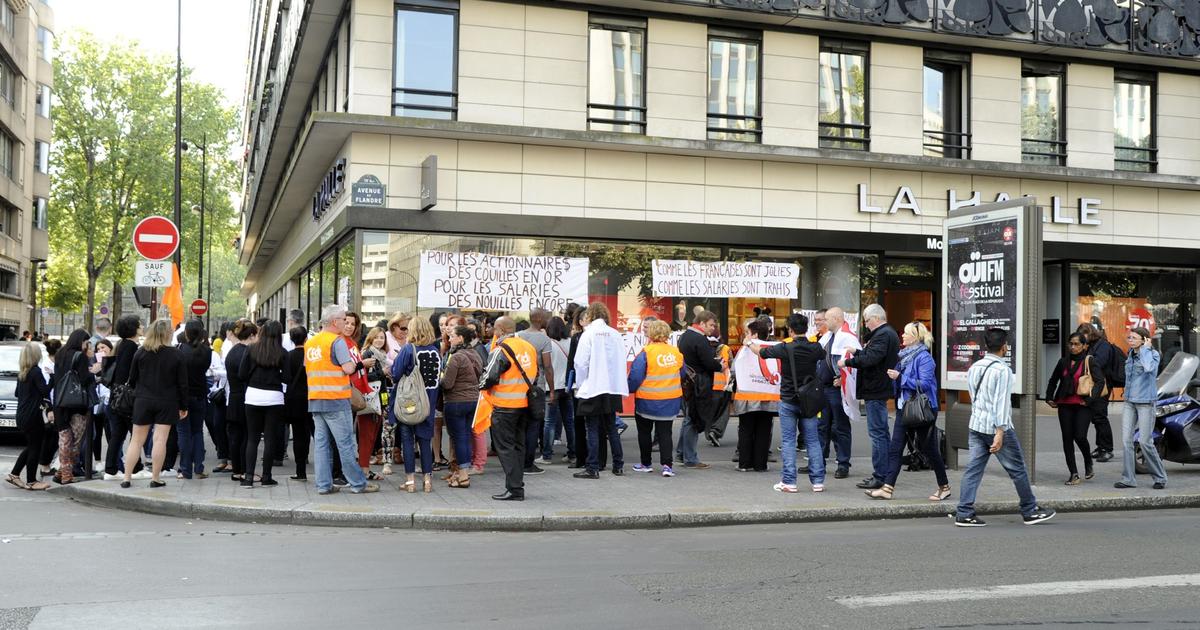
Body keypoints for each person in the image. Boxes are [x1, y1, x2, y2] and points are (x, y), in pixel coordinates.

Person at [955, 328, 1056, 527]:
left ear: (986, 345)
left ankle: (964, 512)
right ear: (1004, 347)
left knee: (973, 470)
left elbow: (974, 396)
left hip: (976, 425)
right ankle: (1030, 509)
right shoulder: (1002, 370)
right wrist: (1000, 433)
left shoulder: (975, 367)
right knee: (1017, 469)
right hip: (996, 428)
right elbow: (1001, 404)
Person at [869, 322, 950, 501]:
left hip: (921, 410)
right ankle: (887, 488)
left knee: (929, 449)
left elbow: (926, 384)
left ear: (915, 337)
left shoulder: (924, 358)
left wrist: (900, 377)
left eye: (905, 334)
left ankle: (944, 486)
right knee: (895, 448)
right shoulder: (903, 356)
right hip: (903, 408)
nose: (902, 336)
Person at [305, 305, 379, 494]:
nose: (345, 323)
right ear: (333, 322)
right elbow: (348, 369)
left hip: (315, 399)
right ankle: (358, 483)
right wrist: (356, 363)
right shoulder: (336, 341)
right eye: (343, 320)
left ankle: (323, 485)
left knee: (321, 445)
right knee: (345, 443)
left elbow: (309, 367)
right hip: (336, 399)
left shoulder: (311, 343)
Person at [750, 313, 824, 492]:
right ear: (806, 329)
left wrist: (748, 343)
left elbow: (762, 352)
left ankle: (789, 482)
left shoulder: (785, 347)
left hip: (789, 399)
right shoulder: (815, 347)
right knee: (813, 441)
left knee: (789, 441)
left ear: (790, 330)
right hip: (809, 401)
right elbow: (823, 354)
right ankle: (818, 481)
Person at [839, 304, 899, 491]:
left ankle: (880, 475)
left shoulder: (883, 334)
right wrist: (857, 351)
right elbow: (873, 355)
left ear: (876, 318)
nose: (866, 324)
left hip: (876, 389)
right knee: (881, 433)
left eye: (867, 320)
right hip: (877, 389)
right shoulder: (886, 334)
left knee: (878, 434)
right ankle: (885, 473)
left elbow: (872, 359)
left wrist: (847, 361)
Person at [122, 319, 188, 489]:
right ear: (169, 334)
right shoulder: (176, 354)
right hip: (167, 401)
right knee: (160, 440)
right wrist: (183, 406)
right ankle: (155, 478)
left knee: (136, 440)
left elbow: (132, 378)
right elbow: (182, 384)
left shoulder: (141, 352)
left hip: (143, 400)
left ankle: (127, 478)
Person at [480, 316, 537, 499]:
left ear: (501, 331)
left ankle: (514, 489)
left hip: (504, 406)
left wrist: (480, 386)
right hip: (524, 404)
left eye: (495, 330)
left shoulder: (501, 349)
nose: (493, 333)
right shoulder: (528, 347)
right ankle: (517, 485)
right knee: (518, 447)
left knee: (505, 448)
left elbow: (489, 377)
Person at [572, 302, 628, 480]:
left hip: (593, 386)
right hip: (612, 387)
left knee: (593, 428)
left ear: (590, 316)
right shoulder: (615, 334)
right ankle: (618, 465)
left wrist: (580, 384)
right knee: (611, 427)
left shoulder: (588, 334)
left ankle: (592, 467)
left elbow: (580, 363)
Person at [1045, 332, 1103, 485]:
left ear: (1085, 346)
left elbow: (1100, 382)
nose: (1073, 347)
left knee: (1080, 436)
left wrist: (1090, 400)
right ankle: (1074, 473)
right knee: (1067, 438)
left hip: (1083, 405)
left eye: (1077, 344)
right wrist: (1049, 397)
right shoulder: (1063, 362)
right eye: (1071, 343)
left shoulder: (1089, 361)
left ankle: (1088, 460)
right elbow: (1053, 380)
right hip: (1064, 404)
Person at [628, 320, 684, 477]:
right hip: (670, 400)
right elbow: (683, 373)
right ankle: (667, 466)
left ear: (651, 333)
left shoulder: (646, 352)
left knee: (644, 432)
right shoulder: (675, 352)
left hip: (647, 400)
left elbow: (636, 376)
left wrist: (629, 389)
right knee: (665, 433)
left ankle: (646, 463)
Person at [391, 316, 441, 493]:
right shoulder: (436, 351)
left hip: (410, 403)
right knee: (425, 442)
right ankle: (427, 481)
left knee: (407, 442)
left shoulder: (408, 349)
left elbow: (395, 373)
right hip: (429, 404)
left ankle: (410, 482)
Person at [239, 320, 290, 488]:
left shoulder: (251, 349)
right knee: (269, 438)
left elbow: (242, 374)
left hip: (253, 395)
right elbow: (287, 378)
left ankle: (248, 478)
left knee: (252, 438)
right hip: (274, 397)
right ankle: (266, 477)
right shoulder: (282, 353)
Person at [1116, 327, 1167, 490]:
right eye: (1129, 337)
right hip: (1130, 402)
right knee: (1126, 441)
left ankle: (1160, 477)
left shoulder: (1152, 354)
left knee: (1145, 442)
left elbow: (1149, 368)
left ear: (1144, 340)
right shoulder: (1130, 354)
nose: (1129, 340)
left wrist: (1145, 349)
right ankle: (1128, 479)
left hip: (1146, 402)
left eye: (1133, 338)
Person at [732, 318, 780, 473]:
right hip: (768, 396)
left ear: (755, 334)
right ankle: (761, 464)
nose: (746, 335)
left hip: (747, 397)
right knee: (764, 430)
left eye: (748, 332)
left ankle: (745, 463)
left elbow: (734, 371)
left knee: (746, 429)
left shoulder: (745, 349)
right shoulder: (774, 348)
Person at [677, 310, 724, 469]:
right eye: (711, 325)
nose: (713, 328)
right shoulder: (699, 339)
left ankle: (681, 453)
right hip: (698, 385)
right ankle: (690, 458)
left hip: (686, 383)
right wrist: (720, 365)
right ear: (702, 323)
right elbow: (709, 364)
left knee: (688, 418)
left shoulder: (685, 336)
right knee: (694, 420)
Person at [818, 307, 859, 480]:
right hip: (824, 387)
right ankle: (818, 462)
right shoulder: (827, 337)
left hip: (836, 389)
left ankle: (843, 464)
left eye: (826, 319)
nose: (824, 323)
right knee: (822, 426)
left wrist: (842, 378)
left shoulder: (848, 337)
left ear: (836, 318)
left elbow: (854, 362)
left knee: (840, 427)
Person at [53, 329, 97, 484]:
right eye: (86, 342)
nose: (87, 345)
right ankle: (66, 474)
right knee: (75, 441)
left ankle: (62, 472)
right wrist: (94, 372)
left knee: (64, 439)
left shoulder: (59, 354)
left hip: (60, 401)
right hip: (77, 403)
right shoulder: (80, 356)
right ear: (81, 341)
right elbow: (85, 380)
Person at [441, 324, 482, 488]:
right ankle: (460, 473)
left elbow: (448, 384)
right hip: (473, 401)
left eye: (452, 336)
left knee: (459, 439)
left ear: (461, 338)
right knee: (466, 437)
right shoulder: (475, 354)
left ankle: (463, 476)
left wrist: (439, 380)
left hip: (456, 402)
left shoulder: (457, 357)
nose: (449, 339)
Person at [8, 343, 52, 490]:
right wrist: (52, 377)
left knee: (31, 446)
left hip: (21, 415)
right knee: (35, 448)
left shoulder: (22, 373)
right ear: (36, 356)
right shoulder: (36, 372)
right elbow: (45, 391)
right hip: (33, 416)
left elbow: (16, 393)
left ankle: (14, 474)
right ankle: (32, 481)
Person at [517, 308, 554, 475]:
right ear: (540, 319)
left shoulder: (518, 336)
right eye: (547, 318)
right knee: (533, 426)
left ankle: (517, 460)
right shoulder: (544, 339)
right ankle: (528, 463)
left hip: (517, 386)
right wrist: (551, 390)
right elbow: (547, 366)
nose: (549, 321)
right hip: (536, 388)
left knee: (520, 425)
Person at [536, 316, 575, 465]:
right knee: (569, 422)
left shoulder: (547, 344)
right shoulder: (571, 342)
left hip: (551, 387)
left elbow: (547, 367)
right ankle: (572, 453)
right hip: (567, 387)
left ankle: (546, 455)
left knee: (549, 422)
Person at [1077, 323, 1118, 463]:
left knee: (1100, 416)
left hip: (1102, 385)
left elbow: (1099, 363)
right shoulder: (1093, 346)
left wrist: (1085, 362)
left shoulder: (1103, 345)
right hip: (1095, 385)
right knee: (1096, 417)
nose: (1082, 338)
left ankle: (1107, 449)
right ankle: (1101, 447)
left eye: (1084, 335)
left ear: (1090, 333)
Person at [176, 320, 212, 480]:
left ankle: (185, 470)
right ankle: (199, 467)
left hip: (182, 397)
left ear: (186, 333)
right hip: (200, 395)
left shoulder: (180, 350)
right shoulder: (206, 351)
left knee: (184, 432)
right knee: (198, 432)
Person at [224, 319, 257, 481]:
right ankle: (244, 470)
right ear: (251, 336)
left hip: (233, 398)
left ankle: (236, 470)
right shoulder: (247, 352)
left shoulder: (232, 351)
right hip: (245, 397)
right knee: (246, 435)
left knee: (235, 436)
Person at [284, 326, 313, 480]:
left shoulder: (288, 356)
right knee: (312, 431)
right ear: (306, 338)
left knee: (298, 434)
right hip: (312, 396)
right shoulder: (311, 355)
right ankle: (310, 457)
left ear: (291, 339)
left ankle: (300, 471)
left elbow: (286, 378)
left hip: (294, 399)